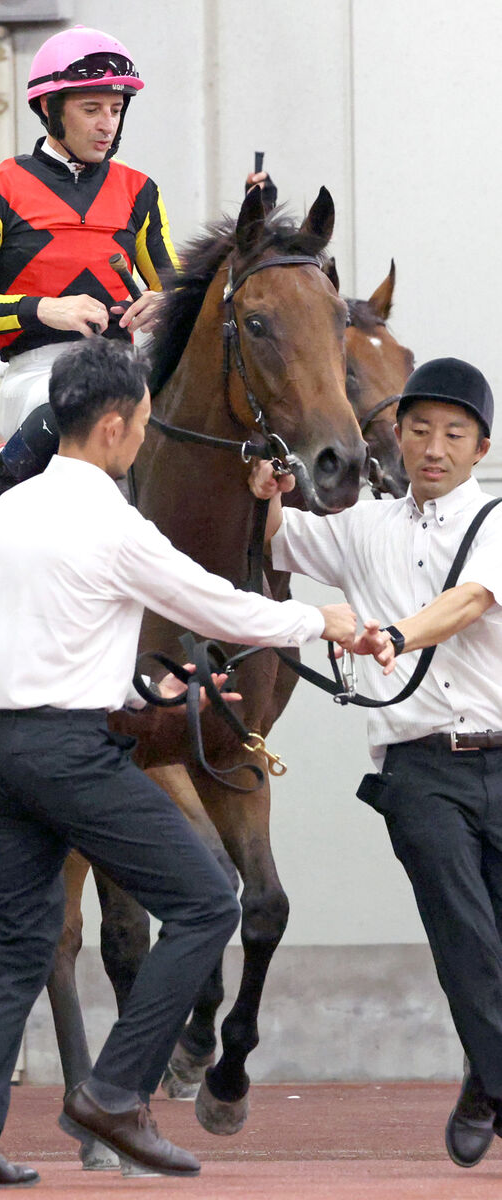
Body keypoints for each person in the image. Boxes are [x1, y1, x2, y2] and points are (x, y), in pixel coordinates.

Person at [0, 337, 365, 1189]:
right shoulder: (112, 523)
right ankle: (114, 1094)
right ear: (120, 425)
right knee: (204, 902)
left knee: (19, 944)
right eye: (143, 425)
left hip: (0, 750)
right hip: (67, 751)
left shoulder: (8, 507)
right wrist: (325, 623)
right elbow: (214, 603)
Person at [248, 356, 502, 1171]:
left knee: (493, 944)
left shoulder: (496, 520)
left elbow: (467, 602)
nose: (433, 447)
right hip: (418, 768)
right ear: (394, 434)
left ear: (481, 446)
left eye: (453, 434)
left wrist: (396, 634)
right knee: (463, 933)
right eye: (418, 429)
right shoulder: (363, 526)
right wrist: (264, 494)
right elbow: (280, 542)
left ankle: (482, 1081)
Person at [0, 24, 179, 555]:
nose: (107, 125)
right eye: (91, 109)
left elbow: (177, 288)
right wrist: (45, 309)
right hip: (38, 375)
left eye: (115, 110)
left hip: (129, 369)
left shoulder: (140, 191)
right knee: (81, 400)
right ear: (51, 109)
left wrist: (166, 303)